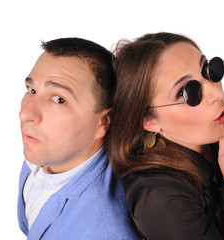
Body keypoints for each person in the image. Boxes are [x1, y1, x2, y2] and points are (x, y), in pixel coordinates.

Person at [108, 32, 224, 240]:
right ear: (149, 120)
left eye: (209, 70)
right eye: (188, 92)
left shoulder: (217, 145)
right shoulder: (158, 198)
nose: (218, 93)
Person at [17, 37, 141, 239]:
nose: (26, 114)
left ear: (104, 122)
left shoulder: (103, 230)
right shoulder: (48, 151)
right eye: (32, 90)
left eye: (59, 99)